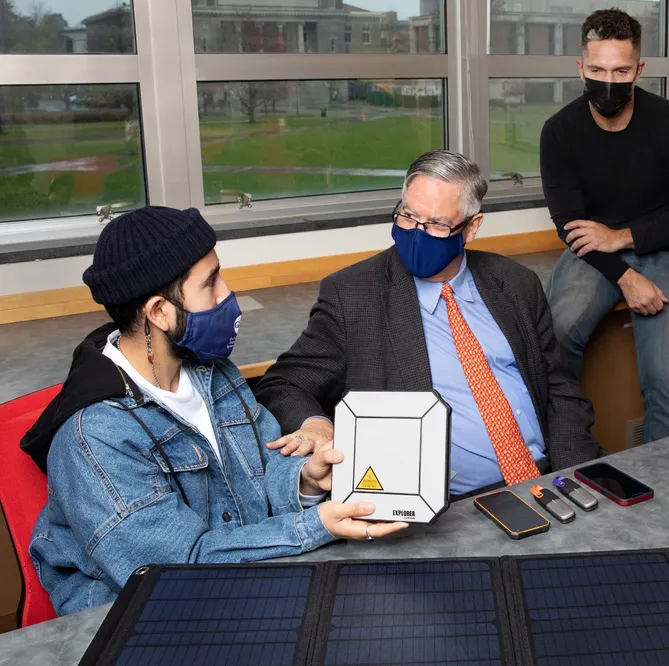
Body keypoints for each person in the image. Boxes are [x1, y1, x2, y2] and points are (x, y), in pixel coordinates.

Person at [21, 207, 405, 616]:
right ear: (159, 312)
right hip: (134, 618)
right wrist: (315, 526)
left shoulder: (212, 373)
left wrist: (303, 482)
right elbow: (176, 567)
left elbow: (261, 466)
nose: (226, 294)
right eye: (210, 283)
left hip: (245, 588)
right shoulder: (94, 436)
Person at [254, 150, 601, 497]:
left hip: (547, 477)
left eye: (437, 224)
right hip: (449, 507)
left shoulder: (515, 283)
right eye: (407, 216)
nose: (417, 234)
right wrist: (316, 425)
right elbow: (283, 383)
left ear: (472, 227)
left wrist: (573, 477)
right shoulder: (353, 296)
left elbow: (559, 389)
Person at [539, 9, 669, 444]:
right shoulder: (559, 131)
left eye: (620, 70)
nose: (608, 80)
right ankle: (566, 457)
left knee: (667, 382)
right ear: (580, 67)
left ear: (639, 69)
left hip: (666, 250)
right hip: (592, 254)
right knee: (552, 345)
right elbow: (572, 228)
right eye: (597, 69)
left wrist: (621, 237)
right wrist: (626, 274)